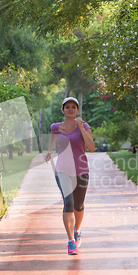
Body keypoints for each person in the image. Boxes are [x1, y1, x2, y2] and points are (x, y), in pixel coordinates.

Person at [45, 97, 95, 255]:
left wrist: (80, 127)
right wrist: (49, 151)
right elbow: (53, 137)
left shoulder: (84, 126)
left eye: (74, 107)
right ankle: (71, 241)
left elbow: (91, 147)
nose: (71, 109)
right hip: (62, 171)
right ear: (63, 110)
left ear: (78, 110)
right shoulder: (55, 127)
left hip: (81, 171)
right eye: (67, 107)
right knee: (68, 203)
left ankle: (77, 230)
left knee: (78, 206)